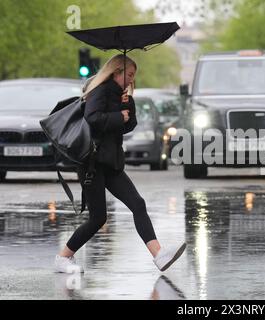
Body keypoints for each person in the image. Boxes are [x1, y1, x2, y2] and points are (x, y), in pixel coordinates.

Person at [54, 54, 186, 273]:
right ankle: (63, 257)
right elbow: (92, 119)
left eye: (134, 76)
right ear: (116, 72)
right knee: (98, 218)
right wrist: (119, 116)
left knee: (138, 204)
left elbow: (126, 125)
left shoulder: (119, 95)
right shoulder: (100, 90)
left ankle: (159, 255)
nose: (131, 80)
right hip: (92, 164)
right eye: (129, 75)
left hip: (111, 163)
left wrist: (128, 107)